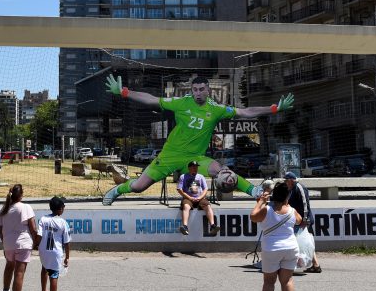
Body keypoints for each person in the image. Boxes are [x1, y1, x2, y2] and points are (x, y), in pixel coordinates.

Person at [101, 74, 294, 205]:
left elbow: (246, 111)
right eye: (195, 89)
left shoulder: (216, 109)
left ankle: (255, 191)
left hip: (195, 159)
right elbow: (151, 99)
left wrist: (274, 108)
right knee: (138, 187)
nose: (198, 93)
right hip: (170, 155)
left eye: (201, 89)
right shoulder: (181, 103)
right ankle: (117, 190)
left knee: (222, 171)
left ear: (208, 90)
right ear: (191, 90)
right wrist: (125, 92)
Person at [249, 179, 302, 291]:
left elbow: (253, 216)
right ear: (287, 196)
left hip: (271, 248)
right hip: (291, 247)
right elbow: (299, 220)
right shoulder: (292, 211)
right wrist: (287, 203)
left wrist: (261, 201)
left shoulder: (267, 210)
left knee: (269, 281)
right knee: (287, 280)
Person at [0, 183, 39, 291]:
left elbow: (0, 230)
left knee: (9, 266)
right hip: (23, 243)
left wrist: (5, 241)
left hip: (8, 243)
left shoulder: (4, 210)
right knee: (19, 273)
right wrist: (36, 242)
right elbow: (33, 228)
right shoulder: (26, 207)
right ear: (21, 195)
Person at [37, 196, 71, 291]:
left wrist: (36, 246)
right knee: (54, 275)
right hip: (56, 252)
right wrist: (67, 257)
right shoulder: (63, 222)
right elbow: (66, 242)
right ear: (60, 209)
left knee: (44, 269)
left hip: (43, 250)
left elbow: (39, 235)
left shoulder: (43, 219)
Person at [285, 172, 321, 273]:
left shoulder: (299, 188)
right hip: (299, 220)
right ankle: (316, 265)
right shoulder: (291, 189)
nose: (285, 182)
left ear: (291, 180)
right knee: (306, 243)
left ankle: (293, 266)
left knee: (304, 243)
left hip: (304, 221)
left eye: (286, 180)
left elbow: (305, 205)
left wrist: (305, 220)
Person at [176, 161, 218, 236]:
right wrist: (189, 197)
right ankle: (185, 226)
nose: (195, 168)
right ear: (189, 168)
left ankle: (212, 226)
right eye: (193, 167)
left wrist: (200, 197)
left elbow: (205, 189)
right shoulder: (183, 176)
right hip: (188, 198)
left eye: (196, 167)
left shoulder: (201, 176)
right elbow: (179, 189)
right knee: (186, 206)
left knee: (208, 206)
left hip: (200, 198)